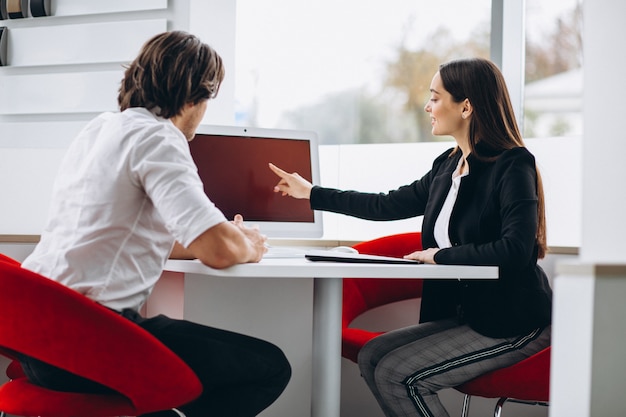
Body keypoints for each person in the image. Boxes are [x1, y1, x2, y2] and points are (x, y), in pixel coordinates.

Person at [20, 31, 291, 417]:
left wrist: (226, 239)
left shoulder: (101, 128)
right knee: (269, 367)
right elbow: (218, 251)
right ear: (197, 95)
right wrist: (248, 244)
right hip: (86, 339)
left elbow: (131, 235)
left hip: (38, 340)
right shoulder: (159, 137)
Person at [269, 57, 552, 417]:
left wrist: (439, 256)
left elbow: (515, 249)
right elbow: (384, 205)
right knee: (373, 355)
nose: (427, 106)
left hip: (515, 322)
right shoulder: (446, 167)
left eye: (435, 97)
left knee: (396, 374)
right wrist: (312, 194)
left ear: (465, 106)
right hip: (471, 317)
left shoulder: (513, 164)